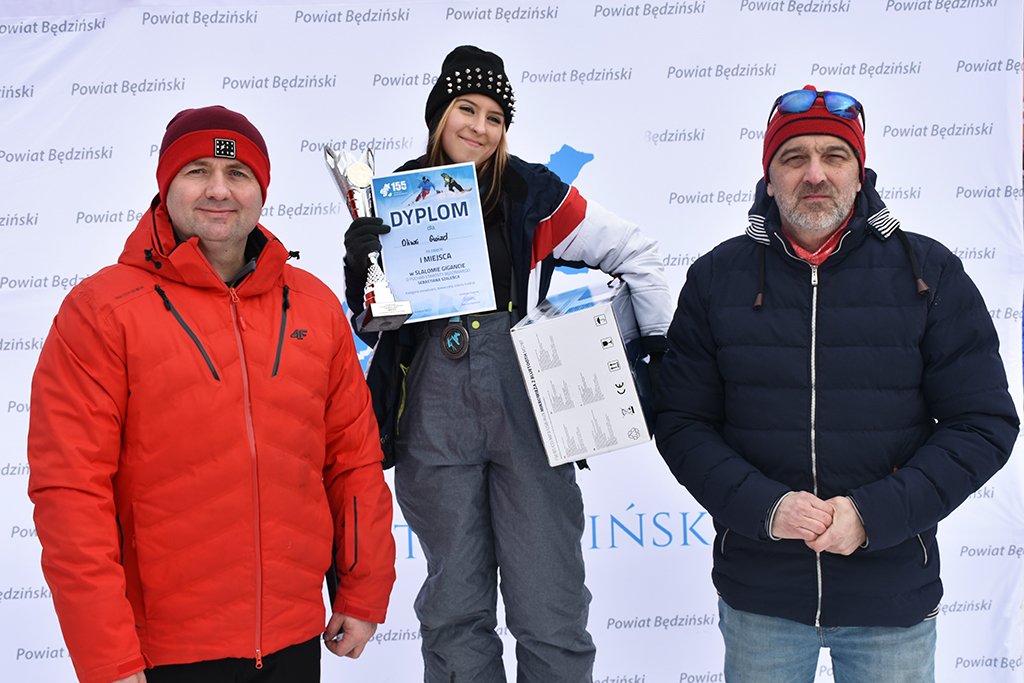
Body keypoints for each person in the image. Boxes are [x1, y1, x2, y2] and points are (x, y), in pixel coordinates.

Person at [654, 85, 1019, 682]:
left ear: (859, 171)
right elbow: (682, 423)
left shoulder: (928, 273)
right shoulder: (717, 278)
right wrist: (768, 508)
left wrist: (873, 515)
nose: (815, 174)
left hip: (890, 593)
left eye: (834, 155)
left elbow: (982, 424)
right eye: (794, 157)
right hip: (762, 596)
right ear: (769, 177)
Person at [27, 105, 397, 683]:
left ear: (262, 191)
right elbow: (71, 493)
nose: (219, 190)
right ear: (166, 184)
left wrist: (362, 585)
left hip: (292, 641)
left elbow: (352, 462)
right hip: (162, 654)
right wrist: (107, 656)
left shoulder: (314, 306)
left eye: (237, 173)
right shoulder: (101, 311)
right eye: (198, 170)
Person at [342, 46, 672, 682]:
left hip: (528, 410)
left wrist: (652, 350)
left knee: (550, 602)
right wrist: (363, 269)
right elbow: (373, 325)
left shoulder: (531, 192)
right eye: (466, 108)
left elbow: (636, 252)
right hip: (432, 414)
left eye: (495, 117)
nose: (480, 127)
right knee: (454, 609)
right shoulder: (396, 197)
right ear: (439, 114)